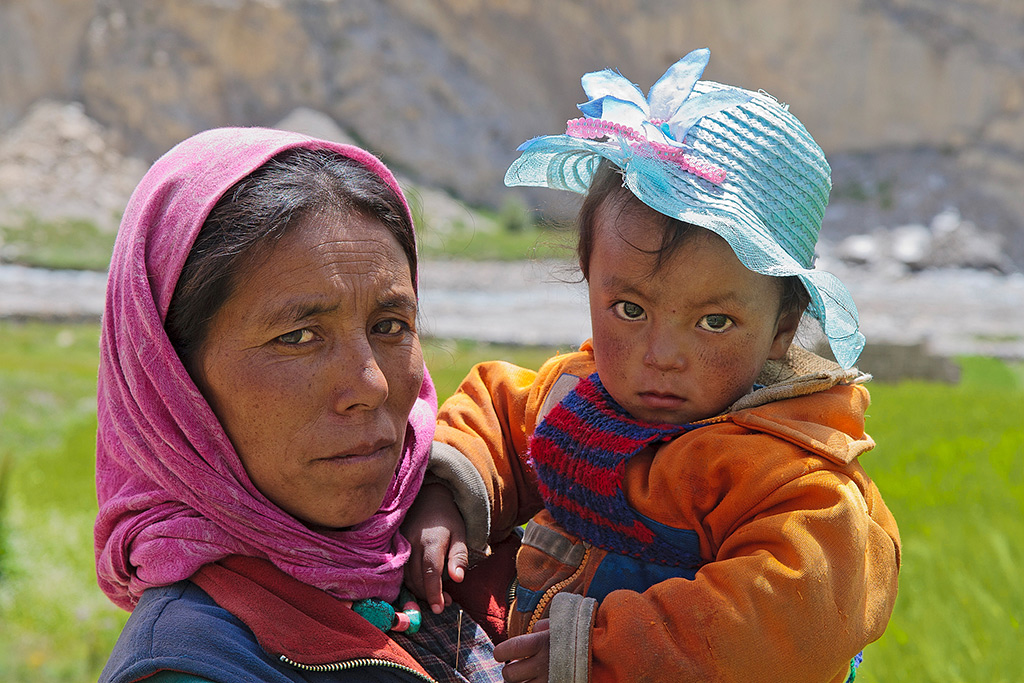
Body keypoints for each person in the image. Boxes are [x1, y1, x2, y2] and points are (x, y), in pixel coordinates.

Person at [401, 49, 901, 682]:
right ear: (590, 282)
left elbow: (786, 616)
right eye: (629, 309)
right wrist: (450, 492)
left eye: (714, 322)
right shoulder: (574, 396)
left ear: (780, 329)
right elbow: (499, 417)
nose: (660, 356)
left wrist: (597, 652)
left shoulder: (792, 479)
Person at [94, 126, 505, 683]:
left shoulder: (457, 541)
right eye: (298, 337)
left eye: (390, 326)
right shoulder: (196, 664)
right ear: (172, 381)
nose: (371, 385)